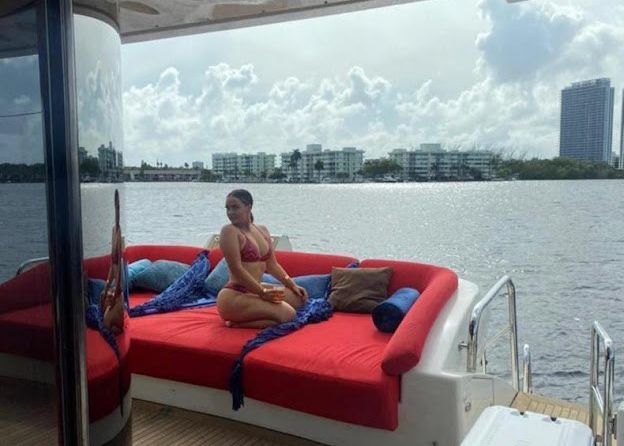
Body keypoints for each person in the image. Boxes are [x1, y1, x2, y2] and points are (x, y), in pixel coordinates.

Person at [216, 189, 308, 328]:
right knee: (289, 315)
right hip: (235, 295)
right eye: (227, 208)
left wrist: (292, 284)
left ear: (249, 206)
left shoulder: (262, 230)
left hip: (257, 290)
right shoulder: (229, 232)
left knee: (299, 299)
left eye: (235, 207)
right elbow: (237, 269)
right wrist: (262, 293)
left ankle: (255, 316)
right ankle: (236, 324)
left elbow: (272, 265)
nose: (230, 212)